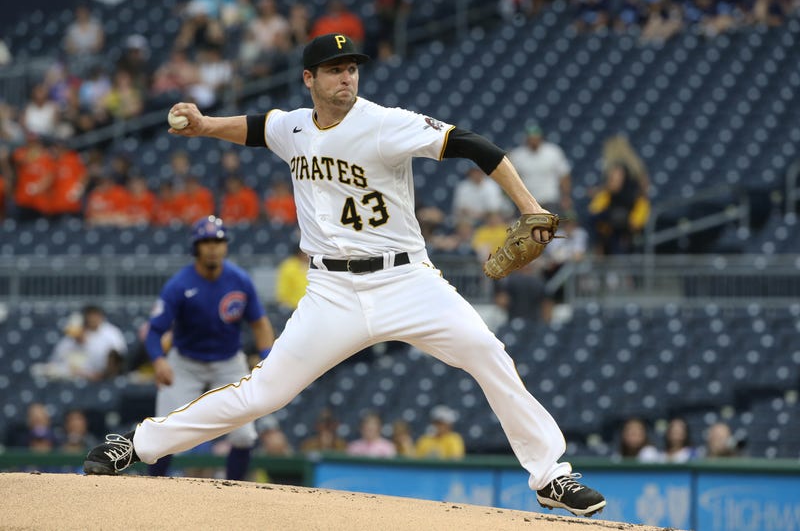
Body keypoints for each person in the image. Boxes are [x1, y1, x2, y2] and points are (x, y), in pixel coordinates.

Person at [83, 33, 605, 518]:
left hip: (407, 282)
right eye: (334, 70)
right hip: (331, 291)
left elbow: (474, 145)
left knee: (487, 353)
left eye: (352, 68)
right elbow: (257, 128)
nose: (347, 78)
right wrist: (203, 125)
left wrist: (532, 207)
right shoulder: (293, 126)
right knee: (264, 394)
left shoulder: (384, 122)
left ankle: (549, 475)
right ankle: (137, 443)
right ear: (309, 78)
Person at [138, 215, 275, 480]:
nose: (213, 247)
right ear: (196, 247)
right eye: (207, 241)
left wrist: (268, 357)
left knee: (244, 435)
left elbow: (260, 324)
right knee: (164, 431)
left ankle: (234, 491)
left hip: (228, 362)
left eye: (218, 241)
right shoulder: (179, 284)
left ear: (225, 246)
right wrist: (158, 361)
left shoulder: (239, 280)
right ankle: (152, 486)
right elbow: (154, 331)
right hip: (186, 362)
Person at [507, 123, 572, 214]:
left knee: (551, 227)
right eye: (531, 138)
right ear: (527, 139)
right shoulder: (517, 155)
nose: (534, 140)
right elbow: (511, 179)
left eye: (536, 137)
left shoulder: (553, 152)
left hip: (550, 199)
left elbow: (564, 176)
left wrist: (565, 196)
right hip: (527, 202)